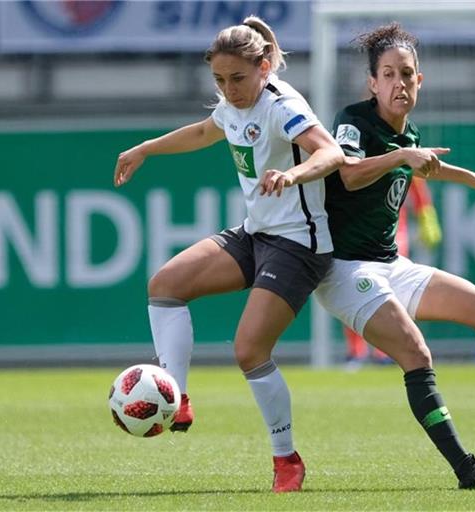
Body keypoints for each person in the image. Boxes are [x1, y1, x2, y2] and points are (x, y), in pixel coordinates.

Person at [315, 23, 475, 490]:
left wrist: (474, 179)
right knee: (417, 352)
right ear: (372, 83)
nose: (400, 83)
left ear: (420, 80)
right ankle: (466, 468)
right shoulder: (353, 120)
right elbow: (350, 174)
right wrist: (404, 157)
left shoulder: (408, 132)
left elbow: (427, 166)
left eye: (408, 74)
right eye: (389, 74)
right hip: (345, 270)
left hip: (390, 264)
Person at [113, 16, 344, 493]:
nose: (229, 89)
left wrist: (295, 176)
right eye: (219, 80)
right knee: (165, 285)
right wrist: (145, 149)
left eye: (237, 79)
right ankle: (174, 395)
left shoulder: (283, 106)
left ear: (263, 67)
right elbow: (203, 132)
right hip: (257, 234)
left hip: (299, 244)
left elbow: (331, 153)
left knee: (248, 350)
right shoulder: (233, 104)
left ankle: (287, 461)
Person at [343, 178, 441, 368]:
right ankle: (356, 352)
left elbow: (415, 178)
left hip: (392, 232)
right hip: (357, 230)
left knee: (391, 292)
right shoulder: (355, 154)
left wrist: (426, 216)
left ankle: (384, 352)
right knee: (353, 287)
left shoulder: (397, 153)